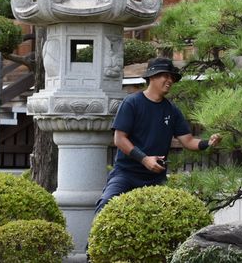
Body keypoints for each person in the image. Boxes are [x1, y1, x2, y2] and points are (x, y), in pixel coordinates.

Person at [95, 57, 222, 213]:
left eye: (172, 77)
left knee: (170, 215)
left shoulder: (172, 110)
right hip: (126, 174)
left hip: (155, 177)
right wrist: (144, 159)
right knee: (106, 206)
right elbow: (119, 139)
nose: (170, 80)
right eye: (165, 76)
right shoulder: (132, 103)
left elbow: (188, 141)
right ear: (152, 76)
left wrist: (208, 143)